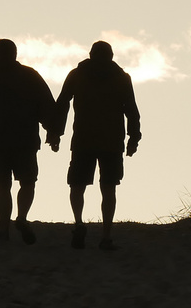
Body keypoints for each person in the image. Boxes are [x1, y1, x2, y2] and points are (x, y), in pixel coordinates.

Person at [0, 38, 59, 244]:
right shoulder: (29, 76)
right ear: (15, 54)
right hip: (24, 140)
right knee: (27, 182)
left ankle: (3, 229)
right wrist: (52, 132)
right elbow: (47, 106)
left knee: (2, 185)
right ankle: (22, 218)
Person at [54, 40, 141, 251]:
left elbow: (63, 103)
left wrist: (56, 132)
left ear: (91, 54)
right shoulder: (121, 78)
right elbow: (131, 110)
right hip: (111, 141)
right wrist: (133, 138)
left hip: (83, 138)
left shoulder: (77, 74)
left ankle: (79, 223)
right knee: (108, 188)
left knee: (77, 185)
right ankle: (106, 235)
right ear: (111, 56)